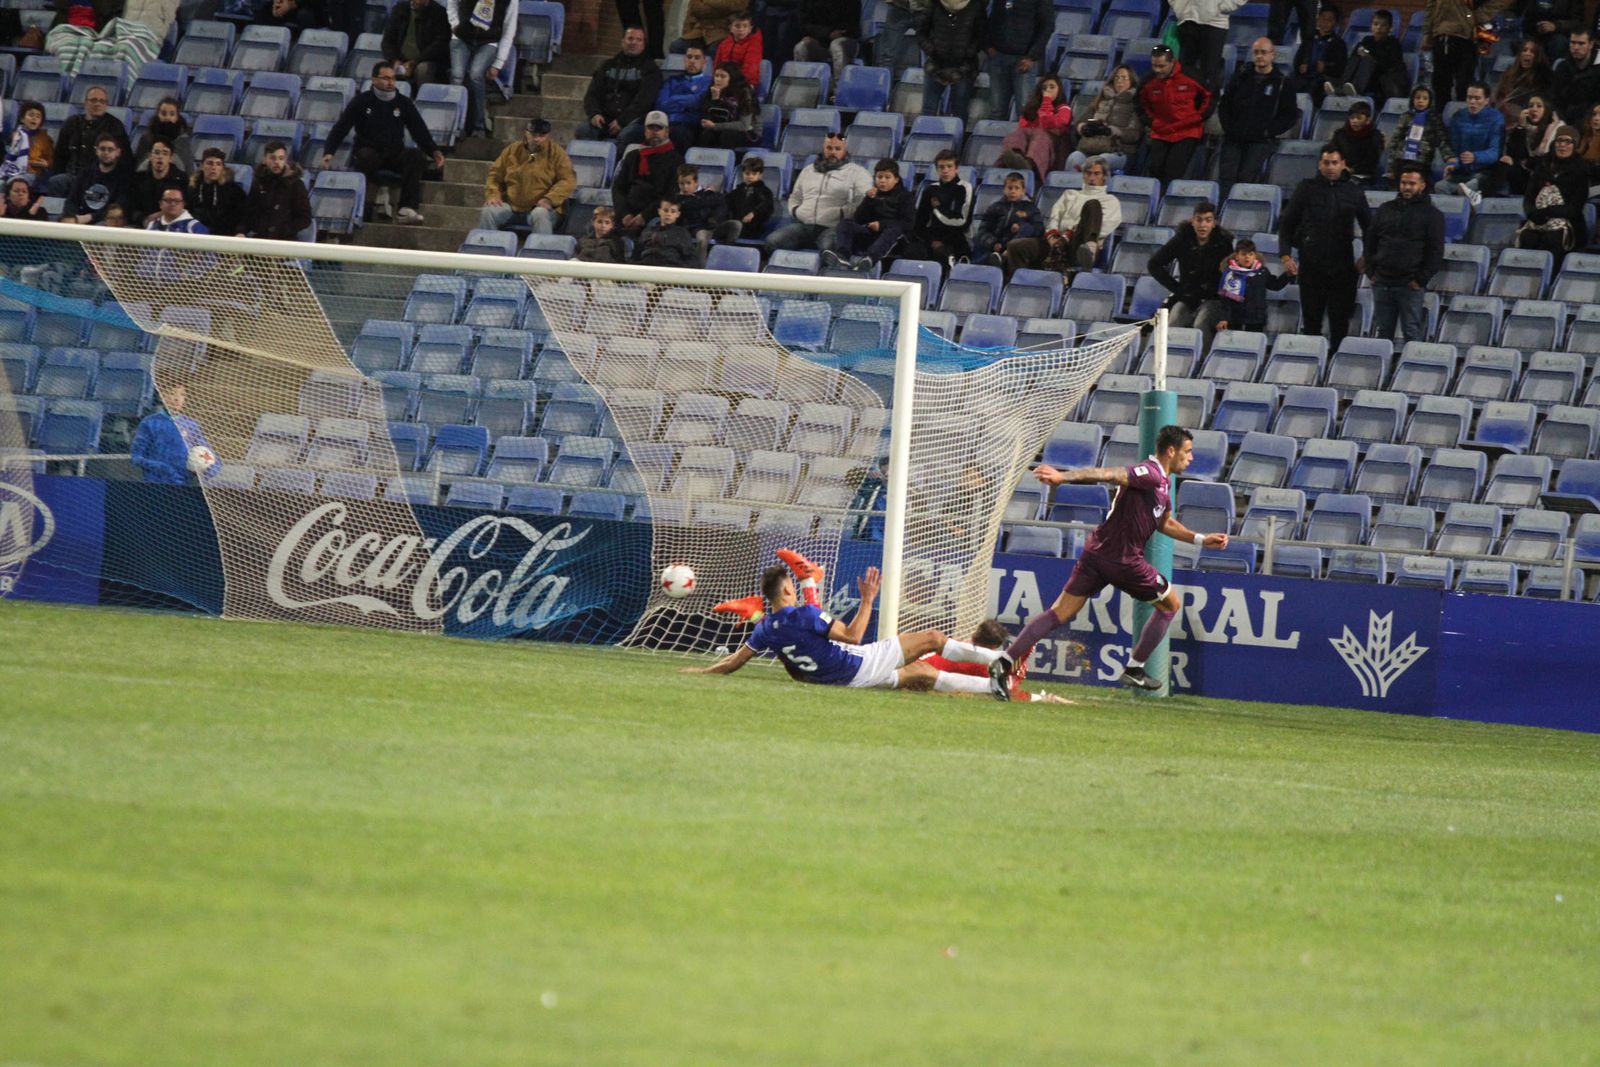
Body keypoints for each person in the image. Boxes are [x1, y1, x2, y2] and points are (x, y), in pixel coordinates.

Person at [987, 426, 1230, 698]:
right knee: (1170, 604)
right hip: (1123, 560)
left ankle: (1002, 664)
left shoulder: (1164, 482)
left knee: (1059, 613)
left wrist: (1201, 539)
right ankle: (1135, 668)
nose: (1191, 458)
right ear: (1171, 451)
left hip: (1096, 554)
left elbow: (1165, 523)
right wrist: (1062, 477)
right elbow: (1108, 474)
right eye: (1188, 451)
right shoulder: (1149, 473)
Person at [687, 559, 1004, 697]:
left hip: (837, 680)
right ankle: (1002, 660)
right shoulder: (805, 614)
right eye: (794, 585)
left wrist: (701, 672)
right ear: (786, 590)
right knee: (932, 638)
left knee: (922, 673)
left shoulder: (765, 629)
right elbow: (853, 636)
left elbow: (734, 662)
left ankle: (994, 689)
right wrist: (867, 600)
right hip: (857, 665)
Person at [323, 62, 446, 225]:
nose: (390, 82)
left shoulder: (403, 102)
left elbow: (419, 130)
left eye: (393, 78)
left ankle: (406, 208)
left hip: (395, 154)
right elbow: (341, 127)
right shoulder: (362, 101)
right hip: (369, 152)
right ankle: (370, 200)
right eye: (385, 78)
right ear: (374, 79)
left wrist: (434, 151)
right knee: (365, 156)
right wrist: (329, 151)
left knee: (415, 156)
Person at [1278, 143, 1368, 351]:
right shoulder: (1306, 188)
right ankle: (1311, 361)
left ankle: (1335, 362)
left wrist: (1366, 257)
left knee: (1340, 321)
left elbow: (1369, 227)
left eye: (1334, 163)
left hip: (1343, 266)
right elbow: (1287, 223)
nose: (1330, 167)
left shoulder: (1354, 191)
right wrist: (1285, 256)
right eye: (1326, 163)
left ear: (1343, 164)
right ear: (1319, 164)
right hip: (1311, 264)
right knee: (1311, 320)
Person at [1365, 163, 1445, 344]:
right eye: (1404, 183)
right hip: (1382, 281)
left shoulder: (1432, 215)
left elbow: (1435, 251)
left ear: (1422, 186)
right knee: (1382, 331)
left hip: (1410, 284)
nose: (1407, 187)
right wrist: (1371, 271)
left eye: (1412, 183)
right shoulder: (1385, 209)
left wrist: (1420, 280)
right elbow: (1370, 242)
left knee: (1411, 331)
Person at [1002, 155, 1122, 275]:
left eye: (1096, 174)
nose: (1091, 177)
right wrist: (1052, 235)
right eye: (1088, 173)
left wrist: (1069, 234)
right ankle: (1018, 282)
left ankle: (1089, 251)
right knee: (1016, 246)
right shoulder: (1069, 194)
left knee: (1093, 205)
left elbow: (1103, 225)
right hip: (1056, 242)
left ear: (1104, 176)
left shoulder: (1110, 200)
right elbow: (1055, 216)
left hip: (1079, 245)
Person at [1216, 37, 1300, 198]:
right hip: (1233, 137)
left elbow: (1290, 115)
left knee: (1246, 180)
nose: (1259, 56)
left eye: (1263, 52)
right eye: (1256, 52)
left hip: (1260, 141)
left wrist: (1267, 131)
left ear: (1272, 55)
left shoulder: (1283, 83)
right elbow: (1225, 104)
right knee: (1226, 179)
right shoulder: (1240, 77)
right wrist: (1228, 127)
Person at [763, 131, 871, 254]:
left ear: (845, 150)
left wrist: (843, 214)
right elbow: (795, 196)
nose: (833, 152)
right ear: (823, 149)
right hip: (805, 225)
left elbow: (863, 202)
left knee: (829, 248)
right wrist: (796, 211)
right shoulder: (808, 170)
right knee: (772, 242)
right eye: (829, 148)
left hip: (834, 227)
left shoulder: (858, 173)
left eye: (838, 149)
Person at [1146, 200, 1234, 333]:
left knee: (1201, 323)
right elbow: (1154, 264)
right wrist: (1178, 289)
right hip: (1188, 295)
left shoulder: (1224, 243)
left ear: (1214, 223)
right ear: (1192, 221)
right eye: (1199, 220)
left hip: (1214, 297)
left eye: (1208, 220)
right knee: (1174, 321)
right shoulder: (1182, 239)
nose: (1203, 225)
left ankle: (1203, 348)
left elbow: (1229, 275)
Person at [478, 117, 576, 234]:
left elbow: (568, 180)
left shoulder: (557, 154)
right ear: (526, 133)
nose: (537, 139)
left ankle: (542, 245)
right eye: (533, 135)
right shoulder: (512, 150)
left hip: (542, 208)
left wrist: (549, 199)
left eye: (542, 136)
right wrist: (493, 194)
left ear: (548, 135)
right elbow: (495, 175)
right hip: (511, 206)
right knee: (489, 211)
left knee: (540, 214)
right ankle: (487, 244)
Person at [1515, 125, 1593, 267]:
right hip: (1538, 219)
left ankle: (1550, 277)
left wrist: (1548, 212)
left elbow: (1575, 208)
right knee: (1528, 237)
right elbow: (1529, 197)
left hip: (1568, 222)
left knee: (1553, 239)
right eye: (1559, 140)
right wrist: (1532, 213)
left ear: (1574, 145)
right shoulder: (1542, 165)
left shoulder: (1581, 170)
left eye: (1568, 141)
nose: (1562, 145)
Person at [1139, 44, 1211, 185]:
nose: (1157, 70)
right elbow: (1141, 105)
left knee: (1173, 172)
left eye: (1162, 66)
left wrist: (1197, 118)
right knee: (1155, 169)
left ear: (1172, 62)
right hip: (1161, 131)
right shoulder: (1148, 81)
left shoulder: (1192, 76)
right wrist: (1153, 122)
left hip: (1187, 131)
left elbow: (1209, 97)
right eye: (1154, 66)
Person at [825, 157, 914, 271]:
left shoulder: (905, 196)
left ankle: (870, 259)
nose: (882, 181)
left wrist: (881, 225)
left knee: (894, 228)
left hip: (895, 238)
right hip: (871, 234)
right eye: (879, 177)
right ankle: (843, 256)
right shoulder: (873, 194)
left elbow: (907, 223)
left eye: (887, 177)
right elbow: (858, 219)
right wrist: (868, 200)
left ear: (896, 179)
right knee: (846, 223)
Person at [446, 0, 518, 139]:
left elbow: (509, 30)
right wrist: (455, 24)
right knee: (457, 76)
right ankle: (453, 125)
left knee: (476, 74)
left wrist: (498, 63)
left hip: (489, 41)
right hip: (461, 37)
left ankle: (478, 126)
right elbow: (452, 3)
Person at [577, 27, 663, 142]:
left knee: (627, 135)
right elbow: (592, 94)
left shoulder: (651, 69)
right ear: (622, 41)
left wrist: (622, 121)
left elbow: (644, 101)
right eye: (630, 38)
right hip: (604, 119)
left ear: (643, 44)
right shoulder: (607, 66)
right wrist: (594, 114)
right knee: (583, 130)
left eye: (639, 40)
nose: (634, 42)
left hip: (634, 121)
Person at [45, 86, 129, 198]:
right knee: (56, 181)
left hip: (99, 178)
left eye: (102, 101)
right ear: (85, 103)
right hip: (72, 176)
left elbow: (125, 159)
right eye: (93, 100)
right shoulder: (71, 123)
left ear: (106, 105)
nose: (97, 104)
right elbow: (60, 156)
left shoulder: (115, 125)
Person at [1424, 0, 1511, 108]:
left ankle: (1466, 114)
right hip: (1441, 34)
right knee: (1441, 82)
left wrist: (1478, 16)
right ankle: (1441, 114)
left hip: (1467, 37)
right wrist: (1427, 33)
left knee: (1464, 84)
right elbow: (1431, 6)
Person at [624, 43, 711, 151]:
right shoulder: (671, 80)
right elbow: (661, 104)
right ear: (684, 60)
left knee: (679, 135)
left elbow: (697, 101)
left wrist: (673, 98)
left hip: (687, 124)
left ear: (704, 62)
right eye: (689, 57)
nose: (692, 61)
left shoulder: (708, 82)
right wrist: (685, 103)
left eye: (697, 58)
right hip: (663, 122)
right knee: (632, 133)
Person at [131, 384, 218, 485]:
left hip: (185, 484)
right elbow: (137, 457)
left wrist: (209, 469)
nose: (177, 399)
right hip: (155, 484)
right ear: (162, 397)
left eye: (182, 395)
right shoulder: (150, 423)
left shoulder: (191, 425)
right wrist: (162, 468)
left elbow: (208, 453)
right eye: (172, 394)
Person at [612, 111, 684, 234]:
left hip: (656, 216)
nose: (654, 132)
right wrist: (624, 214)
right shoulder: (633, 156)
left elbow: (671, 194)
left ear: (667, 132)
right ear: (645, 131)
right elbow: (618, 188)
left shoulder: (676, 160)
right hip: (628, 215)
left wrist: (644, 216)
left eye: (658, 128)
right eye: (651, 128)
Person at [1066, 64, 1143, 174]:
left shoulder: (1136, 104)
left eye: (1124, 78)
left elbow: (1134, 135)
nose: (1119, 81)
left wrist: (1111, 131)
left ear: (1132, 81)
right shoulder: (1100, 99)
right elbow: (1079, 123)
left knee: (1101, 161)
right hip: (1092, 147)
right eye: (1117, 77)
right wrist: (1084, 128)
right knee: (1074, 157)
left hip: (1120, 151)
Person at [983, 0, 1051, 121]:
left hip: (1024, 60)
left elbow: (1047, 26)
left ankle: (1023, 134)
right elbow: (991, 20)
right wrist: (988, 46)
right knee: (996, 110)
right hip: (998, 57)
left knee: (1024, 111)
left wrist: (1031, 56)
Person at [995, 74, 1071, 182]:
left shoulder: (1064, 109)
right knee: (1018, 133)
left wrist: (1046, 101)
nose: (1048, 90)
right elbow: (1023, 126)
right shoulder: (1032, 108)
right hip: (1031, 143)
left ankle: (1029, 165)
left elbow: (1048, 124)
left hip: (1054, 147)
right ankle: (1014, 158)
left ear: (1059, 90)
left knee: (1041, 135)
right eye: (1044, 88)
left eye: (1052, 87)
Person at [1436, 82, 1506, 196]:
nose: (1472, 102)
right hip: (1462, 171)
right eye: (1469, 98)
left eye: (1477, 98)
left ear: (1486, 100)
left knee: (1470, 187)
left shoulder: (1496, 118)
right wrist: (1454, 164)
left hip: (1485, 171)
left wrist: (1475, 157)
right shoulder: (1458, 117)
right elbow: (1454, 149)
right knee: (1440, 187)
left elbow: (1495, 152)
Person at [919, 0, 985, 119]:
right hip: (936, 65)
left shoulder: (976, 5)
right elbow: (921, 33)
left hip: (964, 67)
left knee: (959, 111)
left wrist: (967, 52)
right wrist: (932, 50)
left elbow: (981, 35)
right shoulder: (934, 3)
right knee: (928, 110)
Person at [904, 149, 972, 263]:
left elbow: (962, 222)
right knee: (911, 251)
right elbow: (920, 222)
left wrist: (938, 208)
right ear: (937, 169)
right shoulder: (930, 190)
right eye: (941, 167)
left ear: (956, 168)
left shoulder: (964, 188)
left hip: (956, 237)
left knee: (945, 254)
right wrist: (932, 241)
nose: (945, 170)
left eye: (949, 166)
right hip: (933, 237)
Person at [1214, 237, 1294, 332]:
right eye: (1243, 254)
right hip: (1235, 319)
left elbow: (1275, 285)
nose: (1247, 257)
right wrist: (1224, 318)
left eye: (1250, 254)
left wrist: (1288, 275)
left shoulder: (1262, 271)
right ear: (1237, 256)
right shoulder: (1230, 274)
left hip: (1257, 318)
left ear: (1255, 256)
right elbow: (1225, 301)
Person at [1330, 7, 1407, 104]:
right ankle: (1343, 86)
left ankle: (1356, 89)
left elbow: (1388, 64)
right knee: (1355, 58)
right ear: (1371, 26)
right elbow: (1357, 53)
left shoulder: (1393, 43)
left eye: (1383, 25)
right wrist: (1364, 53)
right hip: (1366, 77)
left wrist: (1370, 56)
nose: (1379, 28)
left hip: (1380, 79)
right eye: (1375, 24)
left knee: (1367, 61)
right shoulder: (1367, 40)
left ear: (1390, 28)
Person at [971, 171, 1043, 268]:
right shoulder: (995, 207)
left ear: (1023, 191)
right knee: (977, 240)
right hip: (996, 245)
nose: (1013, 191)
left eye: (1017, 188)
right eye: (1010, 188)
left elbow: (1039, 229)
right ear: (1004, 189)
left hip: (1015, 245)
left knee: (1026, 228)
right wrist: (993, 243)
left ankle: (1003, 256)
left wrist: (1020, 227)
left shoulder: (1031, 209)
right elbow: (983, 230)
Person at [1174, 0, 1247, 95]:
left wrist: (1226, 6)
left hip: (1214, 23)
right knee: (1184, 71)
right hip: (1186, 20)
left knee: (1210, 74)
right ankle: (1184, 103)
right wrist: (1177, 5)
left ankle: (1208, 103)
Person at [62, 133, 133, 225]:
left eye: (110, 149)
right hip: (80, 217)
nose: (106, 153)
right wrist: (72, 217)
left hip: (105, 220)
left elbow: (119, 207)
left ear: (118, 152)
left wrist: (90, 217)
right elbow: (72, 200)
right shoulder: (85, 172)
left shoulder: (125, 176)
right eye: (102, 149)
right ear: (96, 151)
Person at [247, 141, 312, 240]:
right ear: (265, 160)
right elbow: (249, 211)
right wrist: (242, 230)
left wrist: (284, 229)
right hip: (261, 238)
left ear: (285, 160)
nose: (277, 162)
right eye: (272, 158)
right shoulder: (259, 182)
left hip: (285, 240)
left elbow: (305, 218)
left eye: (281, 158)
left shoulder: (296, 184)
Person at [1285, 4, 1347, 107]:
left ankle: (1307, 111)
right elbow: (1298, 59)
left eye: (1330, 20)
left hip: (1323, 79)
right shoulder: (1309, 39)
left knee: (1314, 86)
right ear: (1318, 20)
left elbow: (1341, 68)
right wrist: (1300, 66)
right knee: (1288, 83)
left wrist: (1325, 68)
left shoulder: (1339, 44)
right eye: (1323, 19)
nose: (1325, 22)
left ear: (1335, 22)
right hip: (1304, 76)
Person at [382, 0, 452, 89]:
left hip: (425, 60)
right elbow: (387, 40)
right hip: (399, 59)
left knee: (423, 69)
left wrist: (415, 62)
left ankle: (423, 96)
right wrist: (394, 60)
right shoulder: (399, 9)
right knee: (382, 68)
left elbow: (439, 44)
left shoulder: (439, 12)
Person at [1385, 84, 1450, 180]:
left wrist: (1449, 157)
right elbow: (1395, 140)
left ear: (1430, 101)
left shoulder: (1434, 119)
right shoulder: (1405, 116)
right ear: (1412, 100)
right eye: (1417, 98)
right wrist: (1390, 168)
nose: (1420, 101)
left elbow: (1442, 139)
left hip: (1422, 160)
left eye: (1425, 98)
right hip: (1402, 159)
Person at [676, 163, 737, 263]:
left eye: (688, 183)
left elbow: (722, 206)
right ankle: (699, 268)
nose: (685, 187)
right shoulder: (678, 199)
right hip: (695, 229)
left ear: (696, 182)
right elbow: (688, 210)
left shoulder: (709, 194)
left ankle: (726, 257)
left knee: (735, 224)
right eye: (681, 184)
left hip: (714, 227)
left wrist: (715, 219)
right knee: (702, 237)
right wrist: (705, 199)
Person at [795, 0, 863, 89]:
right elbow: (803, 25)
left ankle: (839, 90)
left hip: (846, 39)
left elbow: (852, 26)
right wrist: (827, 33)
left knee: (837, 46)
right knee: (801, 47)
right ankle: (805, 89)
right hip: (820, 39)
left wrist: (837, 33)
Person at [697, 62, 759, 148]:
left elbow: (744, 125)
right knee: (707, 134)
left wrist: (715, 126)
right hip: (721, 129)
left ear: (732, 78)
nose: (718, 79)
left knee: (728, 135)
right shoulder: (713, 91)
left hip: (747, 133)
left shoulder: (744, 93)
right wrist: (715, 99)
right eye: (716, 76)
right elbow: (707, 120)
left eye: (723, 76)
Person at [1492, 38, 1553, 124]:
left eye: (1532, 52)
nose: (1527, 54)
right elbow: (1499, 97)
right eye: (1524, 50)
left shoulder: (1544, 77)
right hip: (1505, 116)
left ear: (1538, 56)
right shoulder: (1509, 74)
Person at [187, 148, 247, 236]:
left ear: (222, 168)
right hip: (195, 235)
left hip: (224, 236)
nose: (213, 168)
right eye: (210, 163)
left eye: (218, 164)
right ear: (202, 166)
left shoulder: (234, 191)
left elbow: (242, 215)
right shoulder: (191, 189)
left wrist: (240, 232)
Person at [128, 138, 186, 225]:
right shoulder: (138, 178)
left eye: (165, 153)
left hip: (171, 224)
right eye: (156, 152)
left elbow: (183, 208)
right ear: (150, 156)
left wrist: (159, 216)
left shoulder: (182, 179)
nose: (160, 157)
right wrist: (143, 219)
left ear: (171, 158)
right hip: (142, 225)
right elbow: (131, 207)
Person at [1327, 100, 1384, 185]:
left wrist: (1353, 170)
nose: (1354, 121)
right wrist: (1340, 166)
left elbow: (1372, 161)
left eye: (1359, 118)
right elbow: (1332, 152)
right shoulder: (1340, 134)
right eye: (1352, 118)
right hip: (1341, 171)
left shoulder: (1375, 136)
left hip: (1363, 175)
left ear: (1368, 120)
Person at [632, 194, 699, 266]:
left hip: (669, 267)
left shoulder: (682, 233)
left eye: (673, 211)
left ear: (678, 214)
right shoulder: (648, 231)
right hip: (646, 266)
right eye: (665, 210)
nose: (668, 214)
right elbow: (636, 254)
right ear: (659, 211)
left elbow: (690, 258)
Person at [1550, 28, 1600, 124]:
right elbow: (1555, 99)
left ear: (1591, 44)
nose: (1576, 47)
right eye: (1573, 42)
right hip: (1564, 121)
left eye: (1581, 43)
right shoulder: (1562, 67)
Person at [722, 154, 774, 239]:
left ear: (760, 175)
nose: (750, 176)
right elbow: (727, 202)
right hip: (737, 222)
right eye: (747, 173)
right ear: (742, 174)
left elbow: (766, 204)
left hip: (754, 225)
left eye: (754, 174)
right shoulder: (738, 191)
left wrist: (754, 213)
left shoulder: (764, 191)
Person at [1, 101, 53, 184]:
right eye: (31, 115)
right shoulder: (15, 136)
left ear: (41, 122)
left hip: (33, 173)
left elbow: (50, 159)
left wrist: (47, 164)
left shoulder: (45, 139)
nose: (34, 118)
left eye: (38, 116)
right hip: (11, 170)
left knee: (12, 181)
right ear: (22, 119)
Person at [712, 12, 763, 98]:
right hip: (724, 82)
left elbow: (750, 71)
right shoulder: (724, 44)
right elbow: (717, 65)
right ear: (730, 28)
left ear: (750, 29)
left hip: (744, 84)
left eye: (745, 26)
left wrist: (729, 82)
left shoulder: (754, 45)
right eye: (737, 26)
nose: (741, 29)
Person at [132, 96, 191, 171]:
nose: (167, 117)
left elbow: (189, 170)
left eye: (172, 114)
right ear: (158, 115)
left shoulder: (183, 140)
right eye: (163, 114)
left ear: (177, 117)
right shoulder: (146, 138)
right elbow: (138, 166)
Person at [673, 0, 741, 55]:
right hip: (700, 31)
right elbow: (694, 8)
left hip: (722, 30)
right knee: (677, 46)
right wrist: (718, 9)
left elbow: (733, 5)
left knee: (713, 50)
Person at [143, 184, 208, 234]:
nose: (173, 204)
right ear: (160, 204)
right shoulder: (152, 225)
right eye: (168, 200)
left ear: (183, 204)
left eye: (177, 201)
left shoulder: (195, 228)